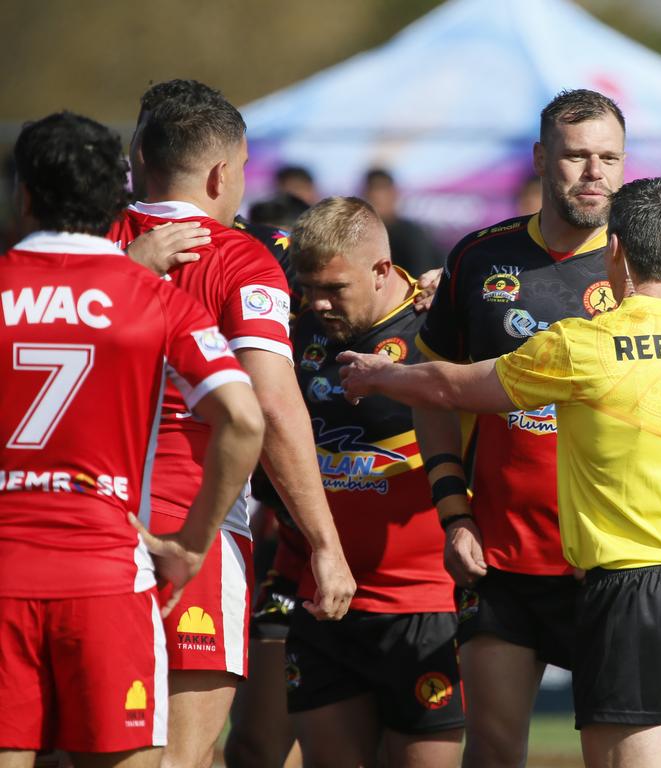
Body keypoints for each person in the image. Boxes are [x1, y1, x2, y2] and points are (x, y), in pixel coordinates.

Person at [339, 178, 661, 768]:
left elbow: (452, 384)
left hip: (630, 586)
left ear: (615, 250)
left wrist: (378, 374)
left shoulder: (586, 344)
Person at [0, 112, 264, 767]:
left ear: (24, 194)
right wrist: (192, 545)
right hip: (107, 578)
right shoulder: (152, 297)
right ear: (115, 198)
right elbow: (246, 418)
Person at [109, 85, 355, 768]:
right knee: (182, 760)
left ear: (139, 155)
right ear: (223, 174)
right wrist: (325, 542)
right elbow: (271, 408)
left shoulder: (84, 245)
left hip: (88, 531)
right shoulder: (240, 256)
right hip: (198, 529)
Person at [410, 88, 625, 767]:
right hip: (501, 556)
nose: (594, 172)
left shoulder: (644, 266)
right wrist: (454, 513)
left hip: (614, 559)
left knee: (620, 753)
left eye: (610, 157)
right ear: (541, 159)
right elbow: (433, 392)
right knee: (495, 749)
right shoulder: (477, 258)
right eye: (577, 156)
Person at [284, 196, 464, 767]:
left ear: (382, 269)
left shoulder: (442, 322)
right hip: (322, 601)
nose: (318, 302)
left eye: (334, 288)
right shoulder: (293, 328)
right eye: (309, 286)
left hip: (425, 604)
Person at [362, 168, 443, 277]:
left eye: (381, 194)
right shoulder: (361, 238)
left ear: (393, 195)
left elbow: (422, 280)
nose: (376, 199)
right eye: (372, 198)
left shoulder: (412, 235)